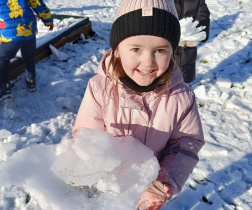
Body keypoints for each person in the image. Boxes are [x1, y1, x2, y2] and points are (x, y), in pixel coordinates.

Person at [73, 0, 204, 209]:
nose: (148, 62)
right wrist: (99, 169)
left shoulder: (181, 97)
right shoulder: (100, 88)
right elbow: (87, 136)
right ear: (117, 51)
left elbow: (185, 145)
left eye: (160, 50)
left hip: (150, 191)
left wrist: (162, 181)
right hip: (108, 188)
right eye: (136, 49)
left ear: (172, 52)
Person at [0, 0, 54, 102]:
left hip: (9, 34)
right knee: (29, 57)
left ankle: (5, 89)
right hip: (27, 30)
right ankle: (31, 82)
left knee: (2, 59)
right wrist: (48, 20)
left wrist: (0, 35)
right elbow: (37, 3)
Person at [174, 0, 210, 83]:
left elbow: (203, 15)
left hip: (188, 46)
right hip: (167, 44)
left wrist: (195, 34)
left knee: (185, 72)